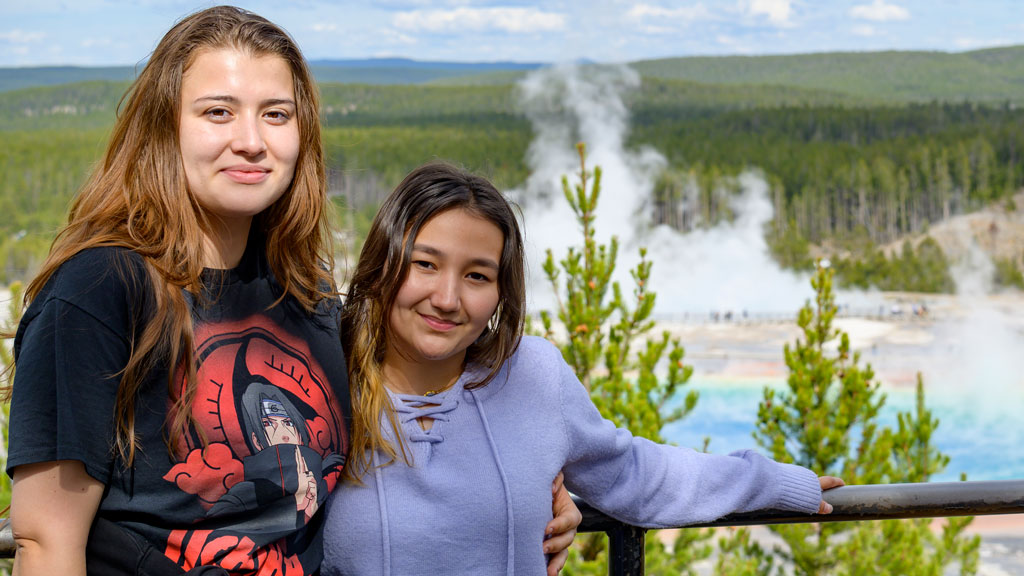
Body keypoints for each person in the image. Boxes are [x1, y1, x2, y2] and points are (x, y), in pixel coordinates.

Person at [1, 6, 580, 575]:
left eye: (276, 114)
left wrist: (529, 493)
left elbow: (396, 428)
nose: (251, 141)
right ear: (164, 126)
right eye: (218, 112)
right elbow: (46, 543)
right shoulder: (100, 290)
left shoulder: (304, 295)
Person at [323, 162, 845, 576]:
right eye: (425, 264)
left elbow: (635, 474)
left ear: (502, 293)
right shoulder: (320, 375)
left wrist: (772, 482)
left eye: (477, 275)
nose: (447, 298)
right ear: (384, 260)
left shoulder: (531, 374)